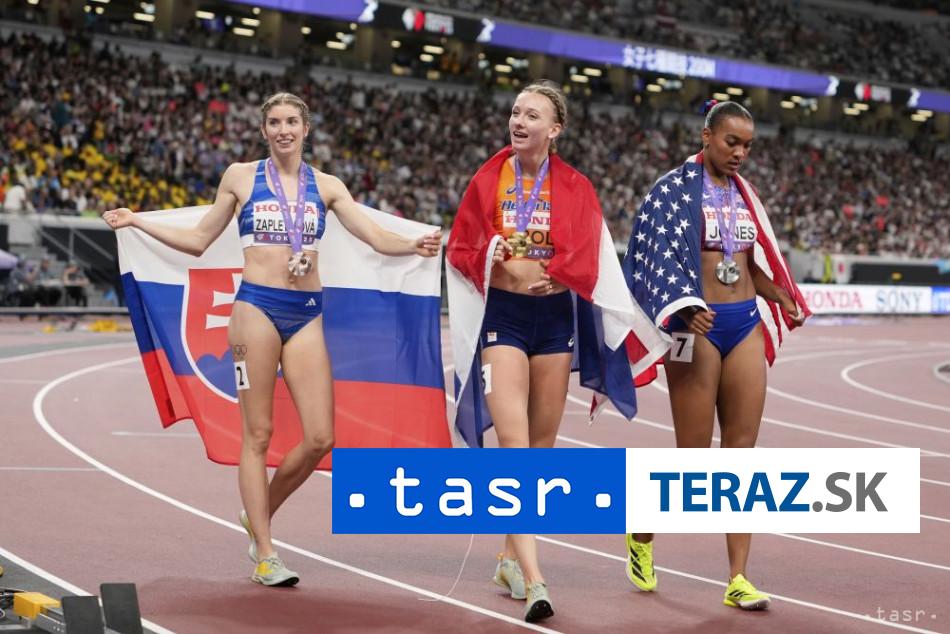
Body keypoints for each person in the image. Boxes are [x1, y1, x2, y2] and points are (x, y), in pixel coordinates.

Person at [103, 92, 441, 587]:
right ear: (264, 130)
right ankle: (265, 553)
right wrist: (138, 221)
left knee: (321, 437)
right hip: (255, 310)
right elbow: (199, 240)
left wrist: (412, 244)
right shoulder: (241, 177)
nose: (284, 130)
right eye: (275, 122)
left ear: (306, 129)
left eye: (292, 122)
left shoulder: (327, 187)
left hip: (306, 314)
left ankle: (256, 513)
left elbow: (374, 237)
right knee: (258, 434)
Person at [447, 80, 663, 624]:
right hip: (503, 319)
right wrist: (491, 251)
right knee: (514, 447)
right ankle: (536, 579)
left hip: (553, 324)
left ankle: (507, 560)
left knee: (539, 452)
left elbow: (589, 251)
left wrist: (563, 274)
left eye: (532, 115)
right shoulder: (488, 179)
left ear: (554, 128)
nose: (519, 121)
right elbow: (461, 246)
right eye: (515, 112)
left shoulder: (574, 186)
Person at [622, 100, 809, 609]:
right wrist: (683, 307)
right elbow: (651, 258)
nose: (740, 153)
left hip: (744, 323)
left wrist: (780, 295)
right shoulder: (671, 191)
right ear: (707, 136)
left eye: (747, 145)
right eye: (732, 141)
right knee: (693, 460)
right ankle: (641, 529)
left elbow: (750, 261)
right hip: (695, 331)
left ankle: (738, 578)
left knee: (741, 456)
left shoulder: (745, 196)